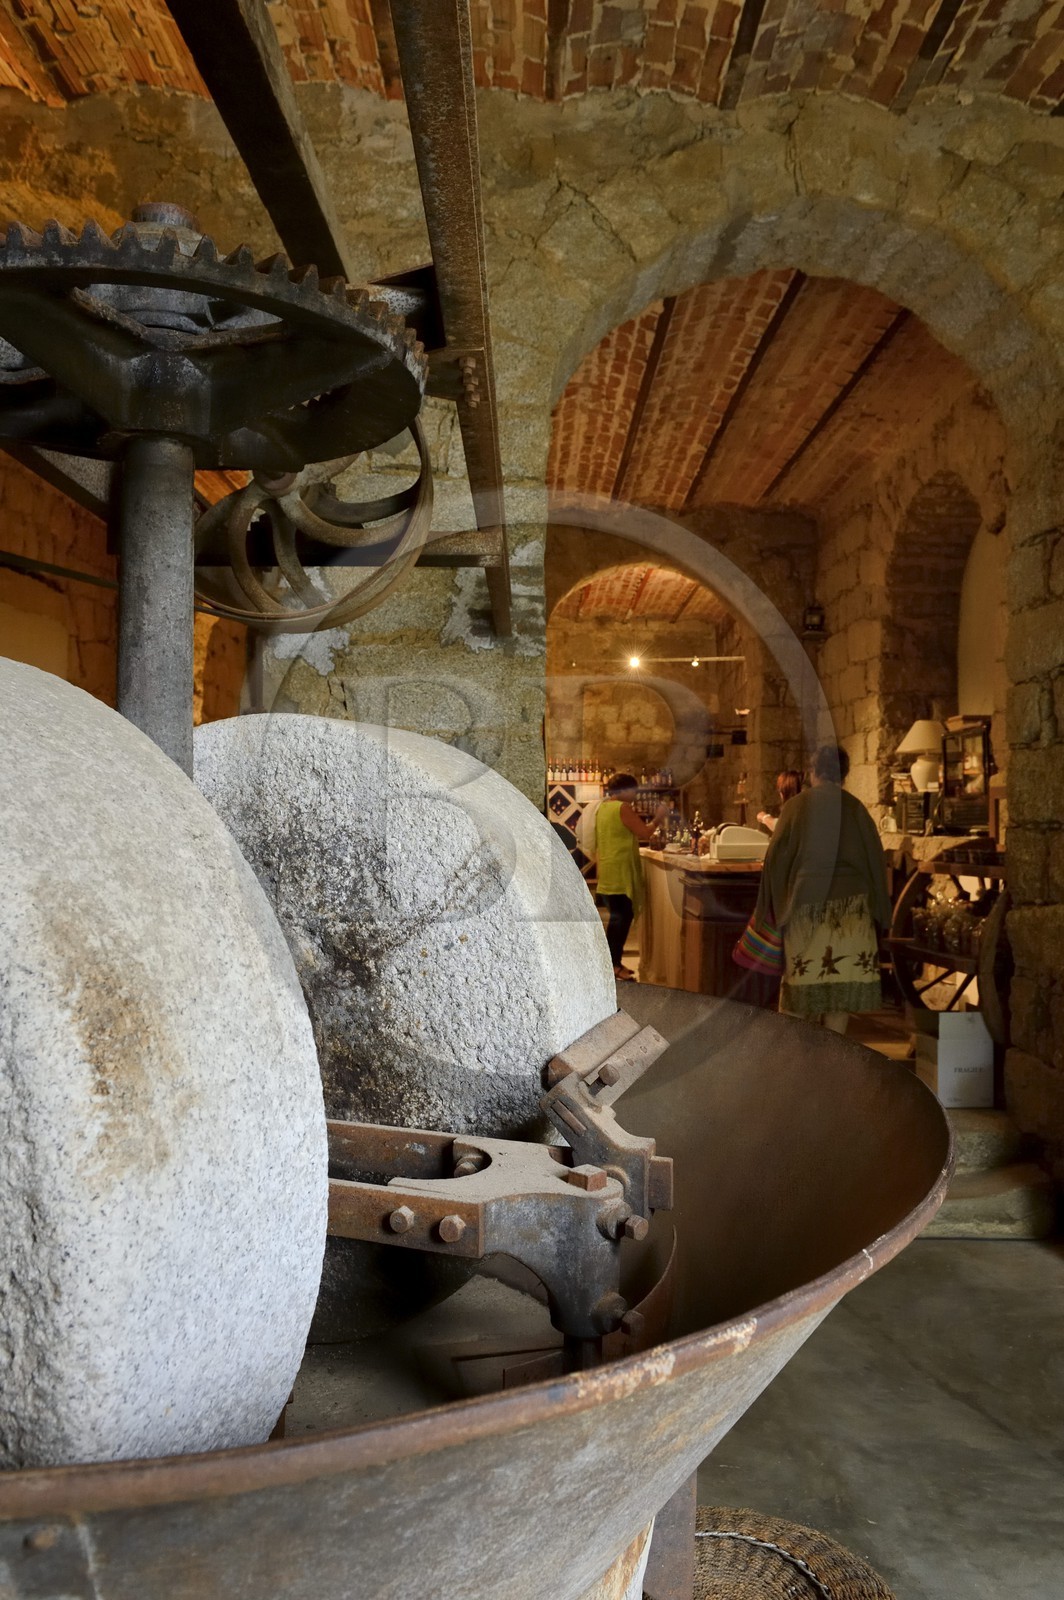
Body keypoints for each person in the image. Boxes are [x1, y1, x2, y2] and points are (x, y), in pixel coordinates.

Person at [753, 744, 890, 1033]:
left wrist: (773, 907)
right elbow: (875, 861)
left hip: (807, 907)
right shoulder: (854, 808)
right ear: (845, 773)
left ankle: (796, 1061)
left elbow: (776, 859)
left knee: (800, 993)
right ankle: (832, 1062)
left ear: (812, 772)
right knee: (839, 997)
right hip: (852, 912)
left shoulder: (796, 807)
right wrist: (881, 913)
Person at [595, 772, 668, 982]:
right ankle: (613, 966)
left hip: (609, 870)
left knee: (616, 919)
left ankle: (612, 963)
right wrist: (659, 817)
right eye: (633, 790)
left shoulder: (603, 808)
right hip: (621, 871)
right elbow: (644, 832)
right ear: (624, 790)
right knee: (621, 920)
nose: (635, 795)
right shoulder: (622, 808)